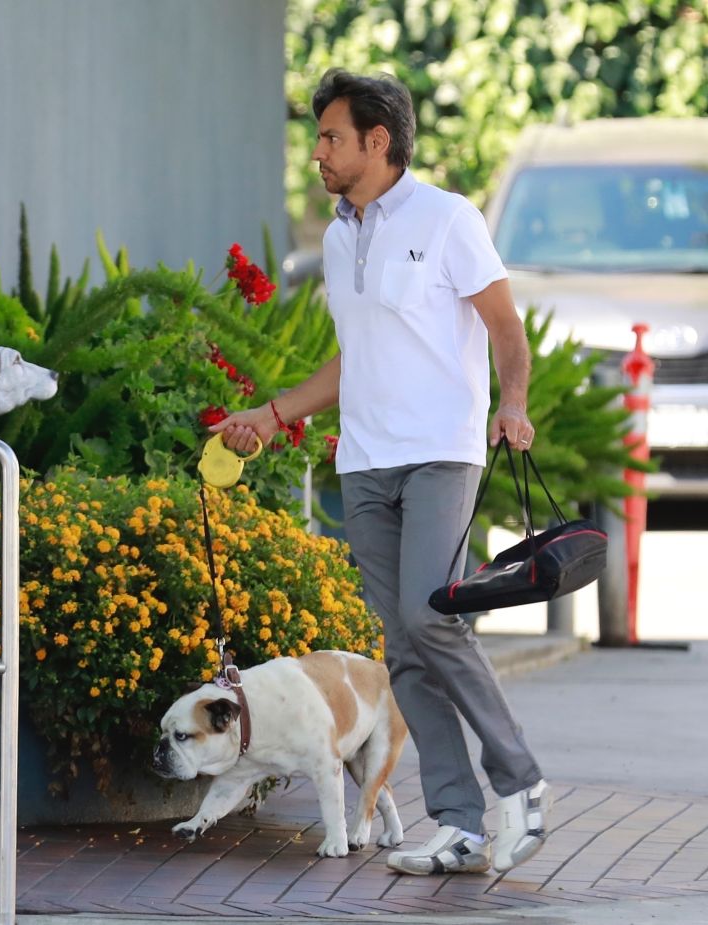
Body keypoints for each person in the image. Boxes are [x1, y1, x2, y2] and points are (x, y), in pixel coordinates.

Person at [210, 68, 551, 875]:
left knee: (432, 614)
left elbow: (505, 326)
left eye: (330, 137)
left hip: (441, 450)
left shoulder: (448, 219)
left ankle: (521, 779)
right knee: (402, 645)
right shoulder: (337, 235)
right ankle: (461, 821)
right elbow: (352, 360)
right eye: (315, 137)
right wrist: (275, 413)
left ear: (377, 141)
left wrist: (514, 402)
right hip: (364, 461)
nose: (317, 152)